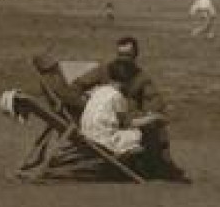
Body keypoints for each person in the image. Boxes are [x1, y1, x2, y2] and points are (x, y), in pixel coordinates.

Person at [73, 37, 186, 180]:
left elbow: (154, 99)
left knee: (155, 123)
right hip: (111, 121)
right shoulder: (105, 70)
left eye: (127, 55)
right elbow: (76, 87)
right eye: (120, 55)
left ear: (135, 56)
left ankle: (162, 165)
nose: (123, 59)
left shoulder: (140, 76)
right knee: (149, 126)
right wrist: (88, 105)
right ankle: (158, 168)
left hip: (127, 116)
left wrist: (150, 112)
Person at [79, 61, 144, 158]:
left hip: (86, 133)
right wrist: (153, 118)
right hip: (101, 140)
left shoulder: (99, 90)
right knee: (136, 134)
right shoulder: (117, 96)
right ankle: (122, 154)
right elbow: (126, 123)